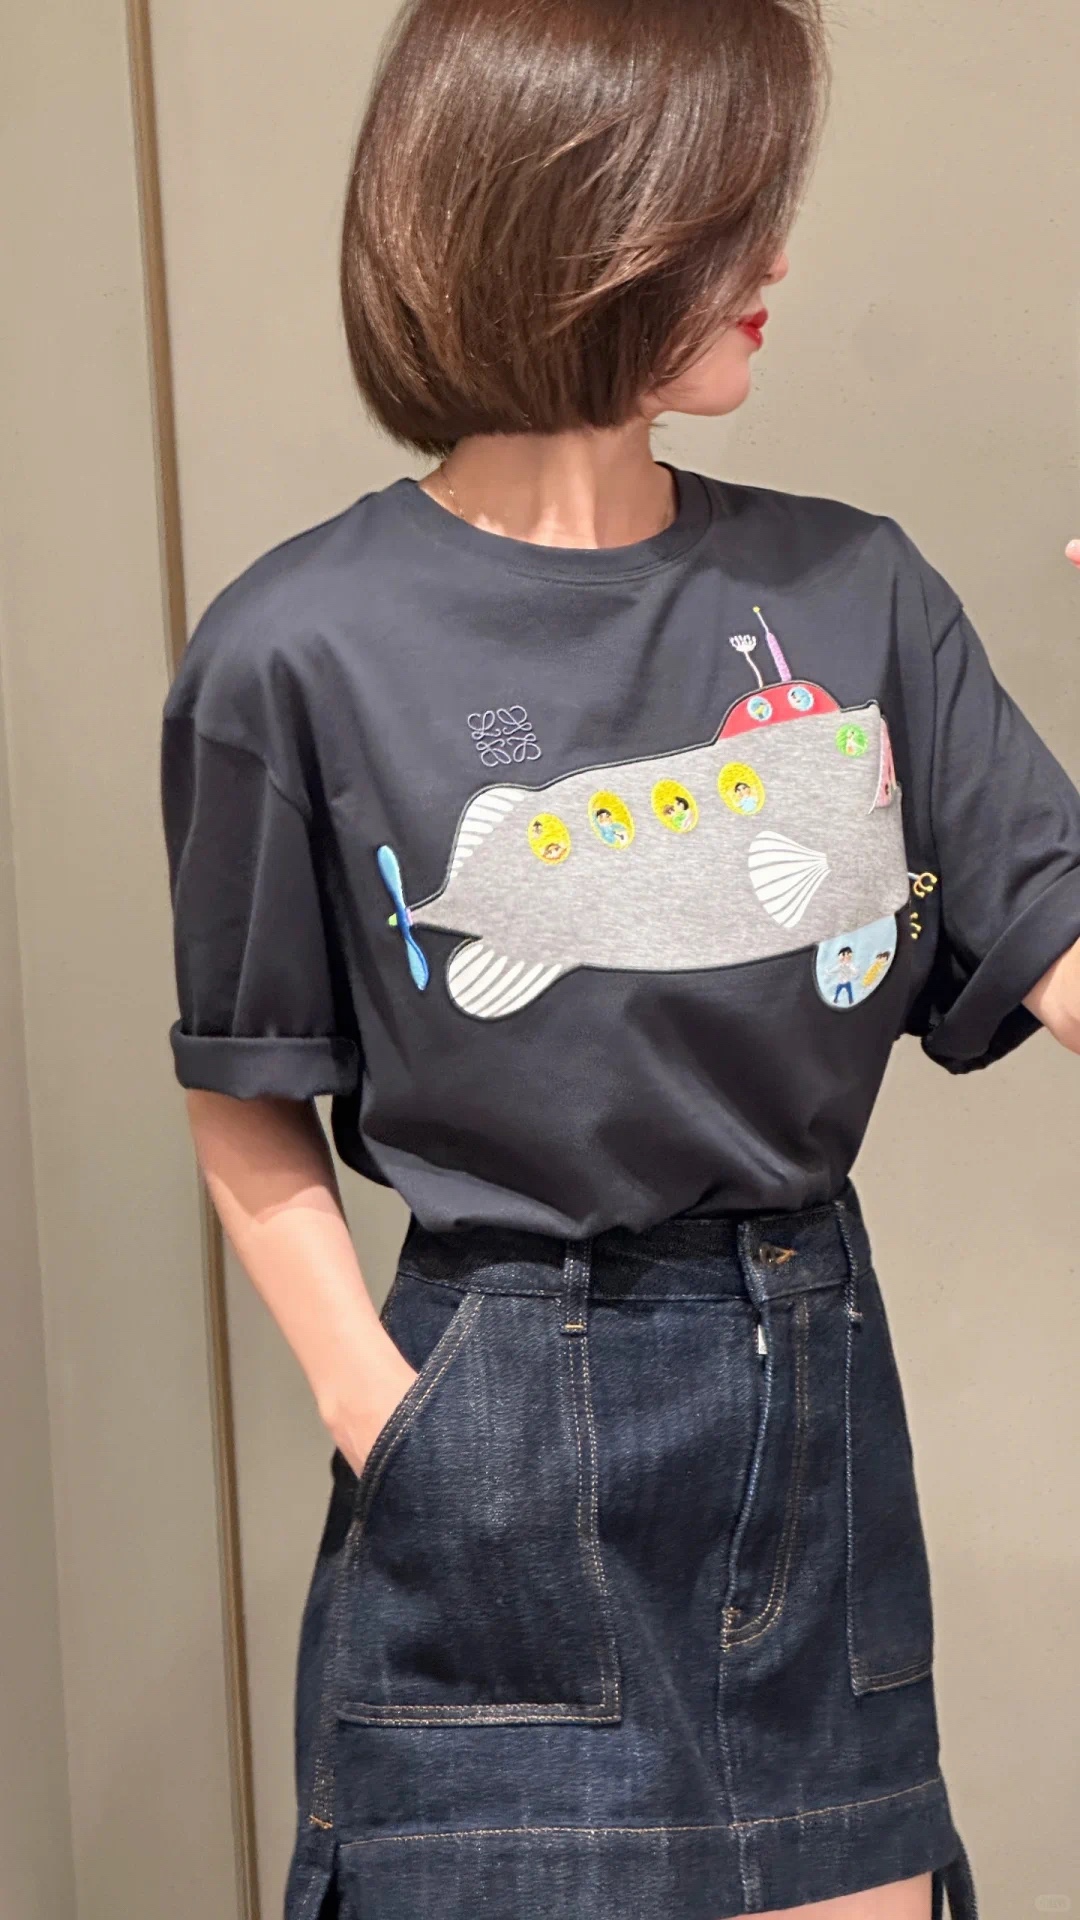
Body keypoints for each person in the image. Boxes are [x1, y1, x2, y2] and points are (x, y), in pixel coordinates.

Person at [157, 4, 1080, 1918]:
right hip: (489, 1408)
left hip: (811, 1407)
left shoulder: (860, 593)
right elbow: (245, 1087)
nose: (777, 259)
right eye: (731, 209)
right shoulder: (293, 651)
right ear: (578, 216)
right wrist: (379, 1414)